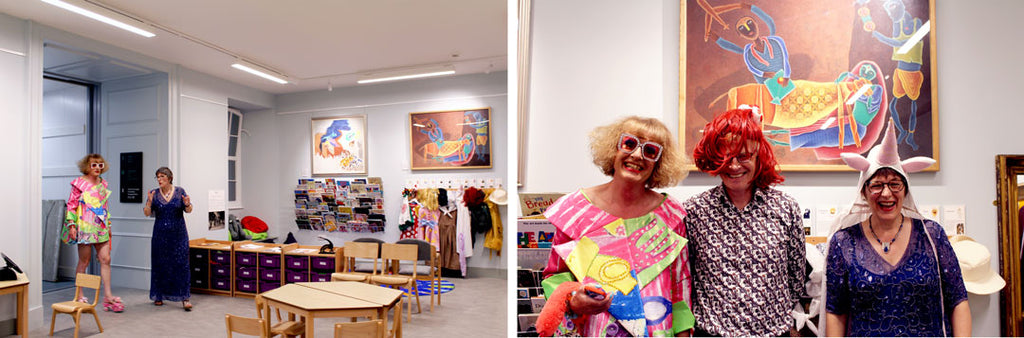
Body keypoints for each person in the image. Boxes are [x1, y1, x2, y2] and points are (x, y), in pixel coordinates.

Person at [535, 116, 693, 337]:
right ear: (613, 148)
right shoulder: (575, 210)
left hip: (657, 329)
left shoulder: (670, 215)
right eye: (629, 144)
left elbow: (680, 287)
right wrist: (573, 300)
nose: (637, 155)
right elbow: (555, 276)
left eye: (650, 150)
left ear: (659, 161)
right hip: (592, 329)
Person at [824, 120, 969, 336]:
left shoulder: (932, 236)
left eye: (894, 184)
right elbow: (836, 312)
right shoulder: (843, 242)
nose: (886, 193)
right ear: (863, 192)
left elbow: (958, 301)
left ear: (905, 189)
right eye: (877, 185)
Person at [684, 106, 805, 336]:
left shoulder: (785, 208)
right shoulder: (694, 211)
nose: (734, 166)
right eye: (725, 157)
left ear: (759, 154)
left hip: (772, 333)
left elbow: (795, 279)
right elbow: (687, 277)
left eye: (743, 156)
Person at [63, 153, 124, 312]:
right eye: (94, 165)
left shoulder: (103, 184)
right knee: (84, 261)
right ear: (87, 166)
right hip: (84, 227)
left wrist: (109, 225)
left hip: (101, 227)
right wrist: (71, 225)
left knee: (106, 259)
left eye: (100, 165)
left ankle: (108, 296)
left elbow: (105, 207)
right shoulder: (79, 184)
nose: (97, 168)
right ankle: (79, 294)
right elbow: (71, 206)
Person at [144, 167, 194, 311]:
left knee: (181, 264)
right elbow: (147, 213)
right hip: (160, 235)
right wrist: (149, 202)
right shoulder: (153, 193)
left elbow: (189, 210)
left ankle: (185, 298)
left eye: (162, 176)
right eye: (157, 177)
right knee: (160, 264)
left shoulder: (180, 191)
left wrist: (187, 204)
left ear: (169, 177)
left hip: (179, 235)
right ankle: (158, 295)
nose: (159, 179)